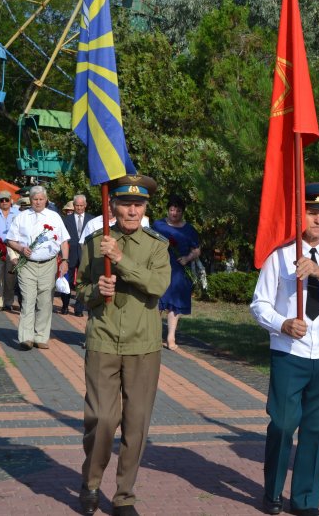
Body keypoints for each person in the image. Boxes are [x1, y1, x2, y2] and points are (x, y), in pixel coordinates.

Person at [250, 183, 319, 516]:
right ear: (300, 214)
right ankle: (272, 491)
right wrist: (282, 324)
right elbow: (260, 304)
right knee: (282, 424)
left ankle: (305, 499)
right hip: (289, 353)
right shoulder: (279, 255)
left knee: (316, 429)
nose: (318, 220)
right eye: (312, 212)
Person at [76, 174, 170, 516]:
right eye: (125, 204)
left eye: (138, 205)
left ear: (145, 207)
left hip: (143, 345)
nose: (132, 211)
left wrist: (119, 259)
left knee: (137, 422)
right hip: (102, 339)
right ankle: (90, 483)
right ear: (112, 206)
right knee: (101, 418)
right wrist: (95, 292)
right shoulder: (93, 243)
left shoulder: (157, 245)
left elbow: (157, 285)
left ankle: (124, 496)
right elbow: (81, 293)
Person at [6, 186, 69, 350]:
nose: (38, 202)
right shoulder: (22, 217)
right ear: (30, 200)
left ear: (46, 200)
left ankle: (40, 336)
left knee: (45, 301)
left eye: (41, 199)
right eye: (35, 199)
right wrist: (20, 249)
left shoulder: (54, 217)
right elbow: (10, 240)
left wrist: (65, 260)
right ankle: (26, 338)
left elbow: (64, 241)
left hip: (48, 264)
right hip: (27, 264)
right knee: (27, 300)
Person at [153, 195, 200, 350]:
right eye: (172, 209)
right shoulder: (158, 225)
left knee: (175, 303)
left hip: (179, 271)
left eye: (177, 210)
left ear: (182, 212)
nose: (174, 213)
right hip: (159, 268)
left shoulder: (189, 230)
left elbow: (197, 250)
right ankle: (154, 334)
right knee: (158, 301)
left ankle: (171, 337)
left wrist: (187, 258)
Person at [61, 194, 93, 316]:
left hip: (85, 254)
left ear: (85, 205)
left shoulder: (91, 219)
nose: (79, 208)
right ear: (73, 206)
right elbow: (62, 238)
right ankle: (65, 305)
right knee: (66, 281)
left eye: (81, 205)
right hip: (70, 253)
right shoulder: (66, 220)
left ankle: (78, 309)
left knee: (82, 282)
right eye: (77, 205)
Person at [0, 191, 19, 312]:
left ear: (11, 200)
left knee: (10, 276)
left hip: (13, 247)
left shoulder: (18, 213)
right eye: (2, 200)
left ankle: (8, 301)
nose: (4, 202)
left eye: (6, 199)